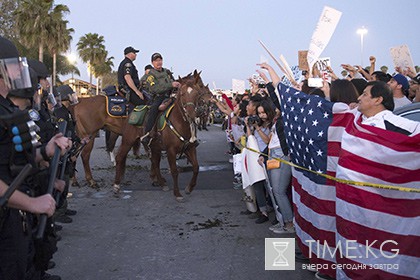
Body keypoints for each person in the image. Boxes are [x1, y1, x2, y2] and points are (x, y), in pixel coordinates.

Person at [0, 36, 70, 280]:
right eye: (12, 65)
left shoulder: (6, 108)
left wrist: (46, 150)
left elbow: (14, 159)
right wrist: (31, 204)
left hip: (14, 215)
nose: (19, 71)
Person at [140, 53, 180, 146]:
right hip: (159, 97)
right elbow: (155, 88)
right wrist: (171, 85)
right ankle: (147, 134)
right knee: (154, 109)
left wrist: (178, 85)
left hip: (171, 95)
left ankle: (191, 136)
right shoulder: (150, 75)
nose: (158, 62)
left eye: (160, 60)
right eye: (156, 61)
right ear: (152, 63)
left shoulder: (167, 72)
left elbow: (173, 82)